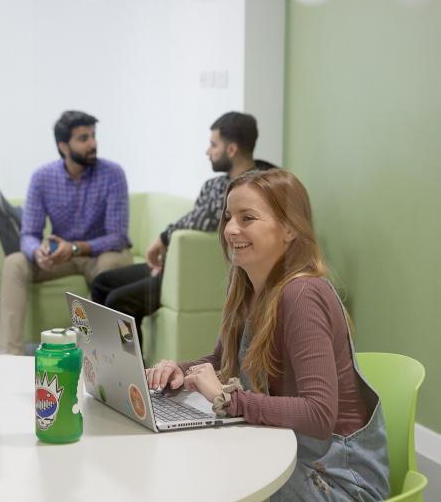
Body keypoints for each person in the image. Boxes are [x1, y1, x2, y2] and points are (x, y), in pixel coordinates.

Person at [146, 170, 390, 501]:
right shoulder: (246, 287)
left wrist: (229, 400)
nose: (231, 229)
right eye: (228, 216)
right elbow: (221, 362)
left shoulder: (303, 294)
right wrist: (179, 370)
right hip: (291, 459)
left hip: (338, 483)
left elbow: (318, 415)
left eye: (248, 218)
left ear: (290, 228)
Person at [90, 111, 272, 345]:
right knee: (102, 283)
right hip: (173, 265)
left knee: (119, 301)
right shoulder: (214, 184)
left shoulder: (259, 187)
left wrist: (165, 237)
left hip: (193, 274)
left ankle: (132, 373)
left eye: (213, 144)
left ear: (232, 149)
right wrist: (166, 245)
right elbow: (195, 216)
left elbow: (207, 218)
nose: (208, 151)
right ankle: (98, 356)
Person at [0, 111, 133, 355]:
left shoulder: (113, 174)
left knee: (112, 263)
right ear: (63, 145)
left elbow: (117, 236)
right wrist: (37, 252)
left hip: (98, 254)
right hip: (61, 256)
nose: (92, 143)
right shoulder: (42, 177)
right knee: (14, 263)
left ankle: (89, 356)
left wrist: (75, 248)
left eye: (93, 136)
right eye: (83, 138)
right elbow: (29, 233)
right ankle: (10, 356)